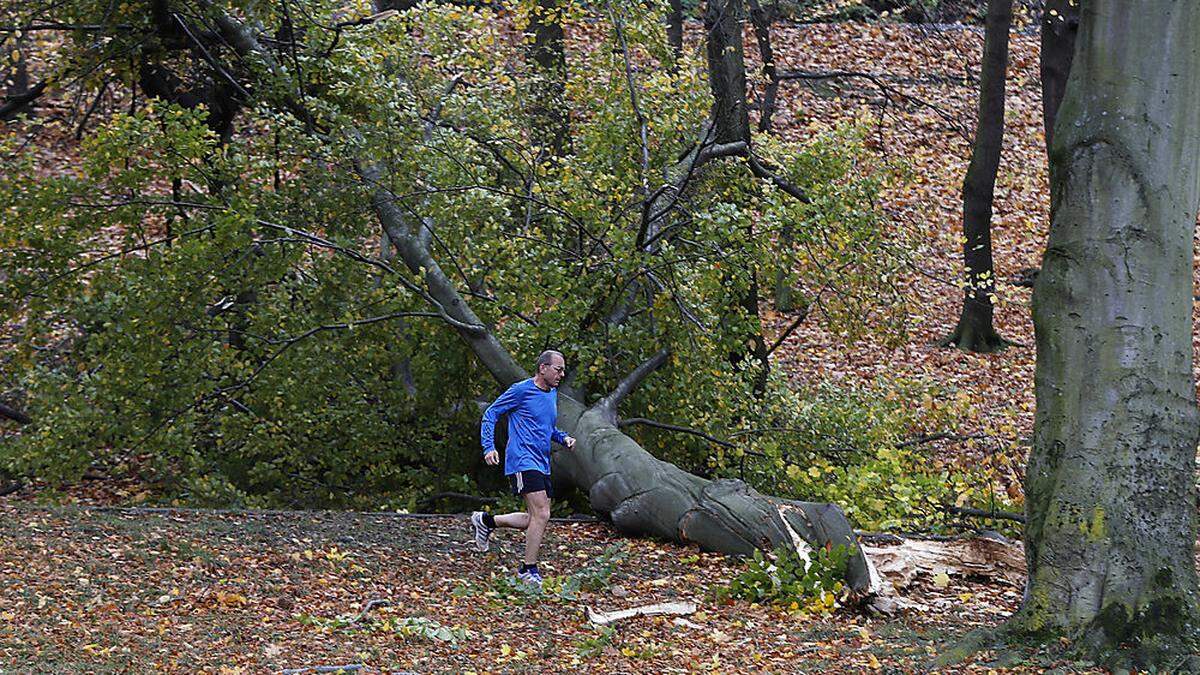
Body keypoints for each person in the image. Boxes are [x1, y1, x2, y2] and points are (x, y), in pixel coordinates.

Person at [471, 350, 575, 585]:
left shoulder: (552, 394)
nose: (562, 374)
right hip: (521, 460)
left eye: (563, 370)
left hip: (541, 462)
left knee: (534, 518)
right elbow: (491, 413)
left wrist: (563, 438)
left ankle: (486, 522)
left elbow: (547, 428)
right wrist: (488, 447)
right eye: (558, 369)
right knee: (542, 514)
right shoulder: (521, 390)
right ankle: (528, 570)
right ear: (543, 368)